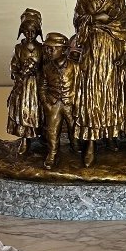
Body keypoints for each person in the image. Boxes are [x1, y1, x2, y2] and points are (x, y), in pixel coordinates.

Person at [72, 0, 126, 167]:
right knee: (92, 94)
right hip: (93, 51)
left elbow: (123, 24)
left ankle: (109, 134)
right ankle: (90, 142)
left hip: (112, 51)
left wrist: (122, 49)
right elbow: (78, 20)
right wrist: (97, 19)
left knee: (110, 94)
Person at [38, 32, 77, 170]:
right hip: (53, 104)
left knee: (74, 128)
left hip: (70, 104)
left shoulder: (74, 66)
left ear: (64, 50)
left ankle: (76, 148)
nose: (49, 51)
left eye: (53, 48)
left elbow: (80, 86)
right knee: (52, 131)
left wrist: (76, 103)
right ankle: (52, 153)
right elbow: (42, 87)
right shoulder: (46, 68)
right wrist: (45, 103)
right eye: (47, 48)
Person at [6, 9, 43, 155]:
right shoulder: (19, 49)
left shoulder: (42, 49)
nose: (29, 34)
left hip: (36, 86)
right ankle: (25, 139)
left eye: (33, 31)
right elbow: (13, 67)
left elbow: (46, 67)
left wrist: (37, 72)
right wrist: (19, 74)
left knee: (38, 112)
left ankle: (40, 138)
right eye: (26, 31)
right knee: (23, 112)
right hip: (23, 85)